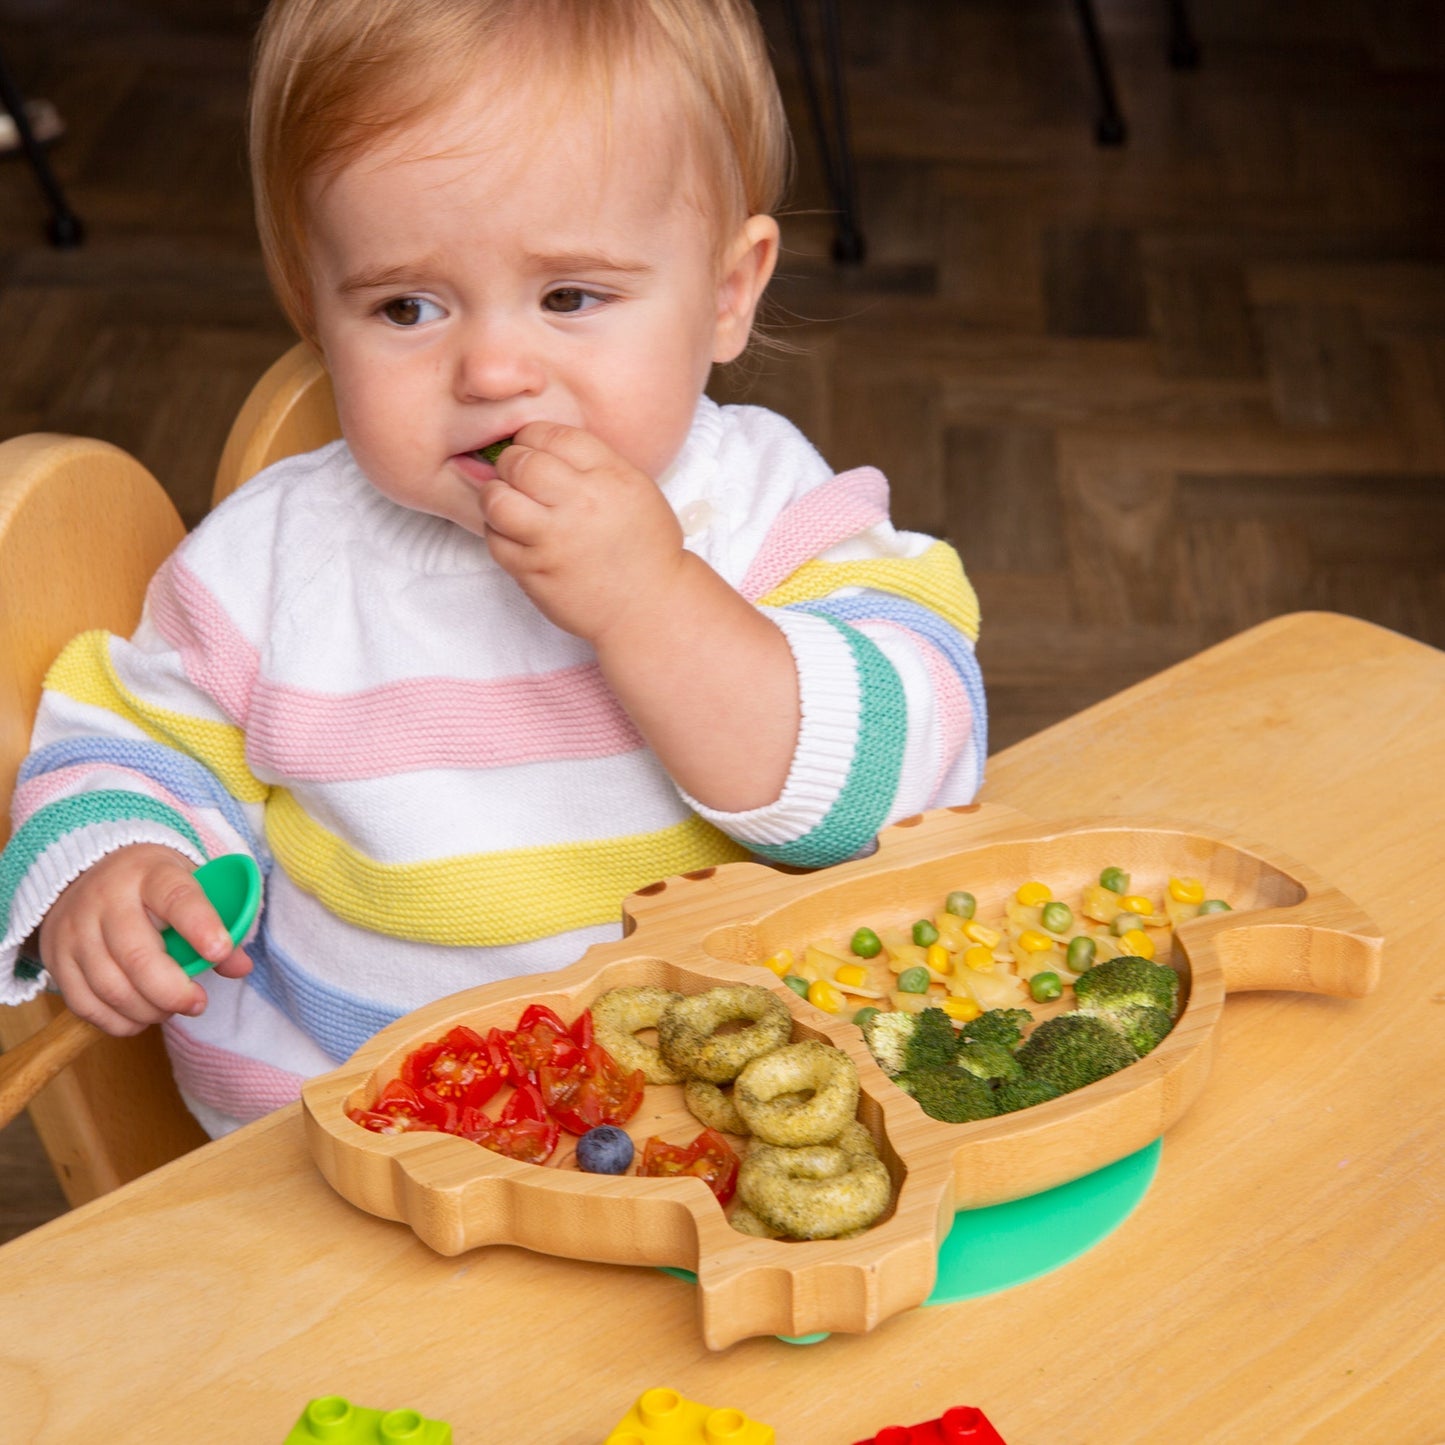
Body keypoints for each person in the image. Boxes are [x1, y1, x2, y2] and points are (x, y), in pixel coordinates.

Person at [0, 0, 985, 1137]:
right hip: (360, 1150)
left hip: (714, 1133)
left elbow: (896, 784)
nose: (493, 369)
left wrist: (654, 601)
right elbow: (126, 745)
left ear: (727, 290)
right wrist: (118, 865)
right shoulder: (271, 560)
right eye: (406, 306)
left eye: (570, 296)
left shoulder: (764, 512)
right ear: (314, 306)